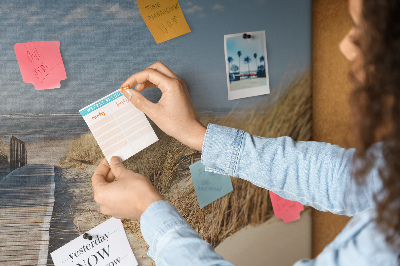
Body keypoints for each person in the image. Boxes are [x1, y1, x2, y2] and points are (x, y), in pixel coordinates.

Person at [91, 0, 400, 264]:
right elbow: (341, 177)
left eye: (367, 28)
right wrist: (196, 134)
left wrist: (148, 210)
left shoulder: (386, 247)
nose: (346, 46)